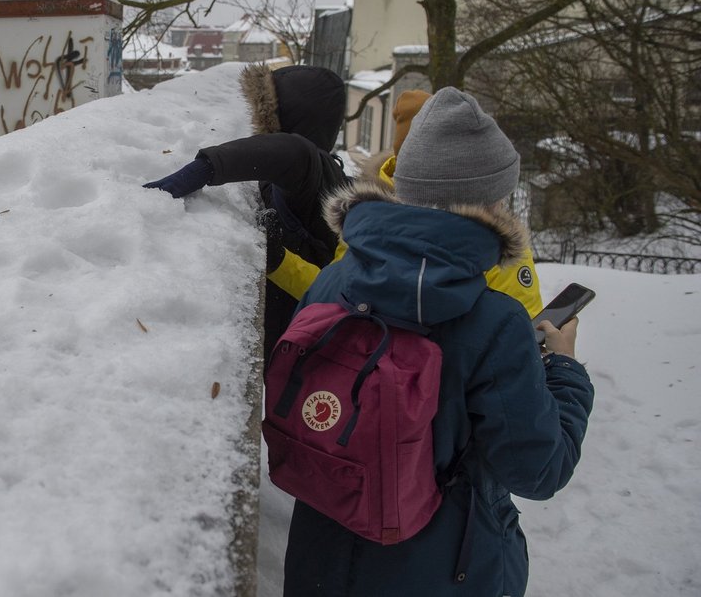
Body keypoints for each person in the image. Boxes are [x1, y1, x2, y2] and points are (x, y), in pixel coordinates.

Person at [284, 87, 594, 596]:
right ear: (491, 200)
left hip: (323, 558)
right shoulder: (496, 320)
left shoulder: (333, 282)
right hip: (443, 568)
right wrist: (564, 369)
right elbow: (540, 469)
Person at [273, 89, 544, 317]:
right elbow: (523, 351)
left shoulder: (366, 223)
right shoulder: (490, 249)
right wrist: (562, 361)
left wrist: (279, 263)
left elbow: (333, 296)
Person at [144, 63, 350, 357]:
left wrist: (206, 167)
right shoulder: (320, 174)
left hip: (301, 340)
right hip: (297, 330)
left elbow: (290, 150)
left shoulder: (314, 168)